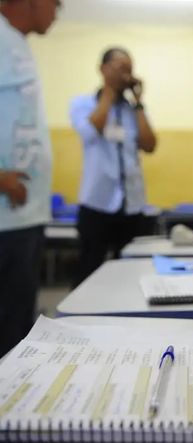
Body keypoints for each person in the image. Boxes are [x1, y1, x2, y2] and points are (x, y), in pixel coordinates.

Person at [0, 0, 60, 357]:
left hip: (21, 218)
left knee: (16, 329)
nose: (57, 10)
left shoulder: (14, 41)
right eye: (57, 2)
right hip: (6, 219)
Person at [70, 47, 157, 287]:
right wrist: (108, 94)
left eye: (129, 69)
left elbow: (150, 145)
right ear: (102, 69)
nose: (126, 75)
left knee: (130, 275)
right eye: (120, 68)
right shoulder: (82, 104)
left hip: (132, 205)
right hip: (97, 203)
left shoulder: (132, 111)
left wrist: (139, 103)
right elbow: (90, 130)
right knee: (88, 271)